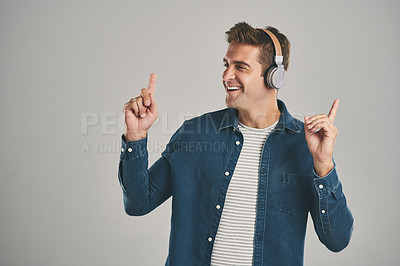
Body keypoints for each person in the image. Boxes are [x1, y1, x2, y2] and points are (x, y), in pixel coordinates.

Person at [118, 22, 354, 266]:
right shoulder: (195, 134)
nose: (225, 76)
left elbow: (337, 240)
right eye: (226, 65)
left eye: (240, 67)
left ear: (275, 76)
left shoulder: (305, 145)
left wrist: (324, 165)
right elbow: (138, 203)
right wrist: (135, 135)